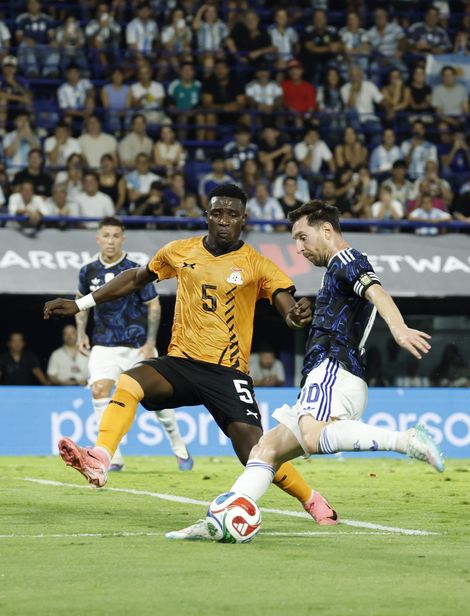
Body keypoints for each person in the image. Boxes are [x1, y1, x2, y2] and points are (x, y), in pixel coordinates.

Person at [45, 183, 337, 524]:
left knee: (255, 453)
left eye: (232, 215)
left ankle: (312, 500)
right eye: (218, 213)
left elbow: (285, 305)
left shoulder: (257, 265)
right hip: (181, 363)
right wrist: (81, 303)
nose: (224, 220)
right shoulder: (179, 251)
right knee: (130, 381)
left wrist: (295, 316)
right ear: (206, 216)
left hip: (228, 373)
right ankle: (100, 457)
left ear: (244, 219)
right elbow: (135, 279)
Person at [165, 200, 443, 539]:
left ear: (326, 230)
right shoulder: (337, 268)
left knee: (312, 436)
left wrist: (399, 330)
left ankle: (405, 440)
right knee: (266, 450)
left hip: (333, 368)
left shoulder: (347, 259)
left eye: (302, 237)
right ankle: (221, 520)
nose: (298, 248)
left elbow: (378, 293)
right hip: (331, 374)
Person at [72, 217, 192, 471]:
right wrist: (81, 333)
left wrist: (150, 343)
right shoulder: (88, 271)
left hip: (138, 346)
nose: (111, 241)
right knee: (99, 391)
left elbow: (153, 306)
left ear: (122, 239)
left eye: (116, 236)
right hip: (104, 345)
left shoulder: (136, 270)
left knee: (159, 401)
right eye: (106, 235)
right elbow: (81, 302)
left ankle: (179, 447)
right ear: (98, 238)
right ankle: (112, 456)